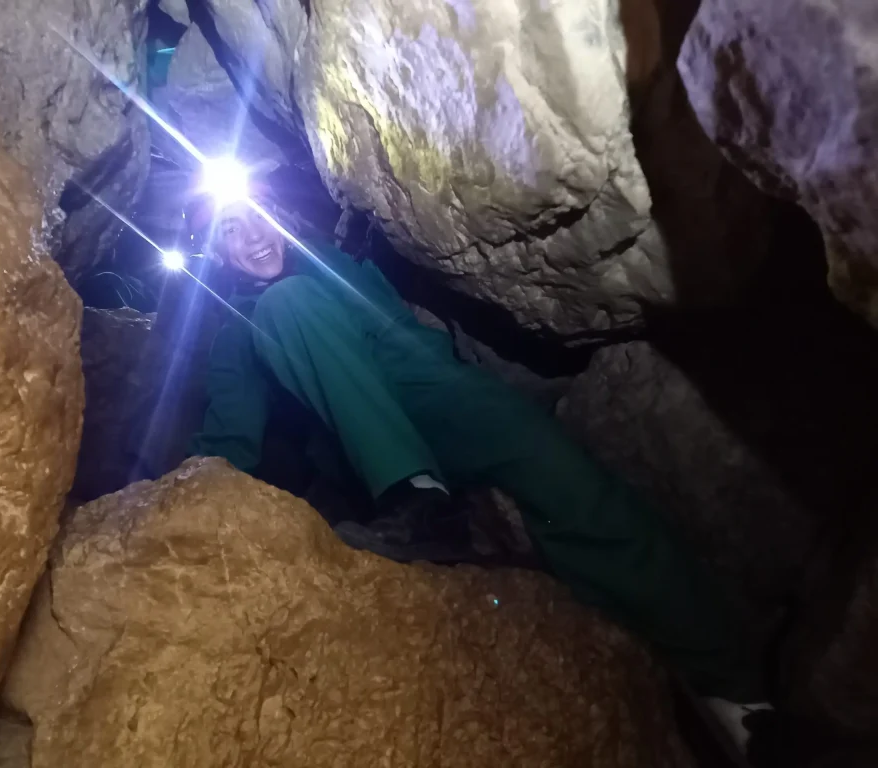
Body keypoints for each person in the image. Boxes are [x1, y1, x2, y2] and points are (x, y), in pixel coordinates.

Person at [187, 193, 772, 752]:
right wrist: (175, 507)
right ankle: (418, 499)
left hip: (440, 390)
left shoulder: (331, 260)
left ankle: (738, 692)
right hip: (361, 439)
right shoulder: (240, 328)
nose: (254, 236)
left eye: (255, 215)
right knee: (284, 303)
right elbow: (226, 438)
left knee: (573, 486)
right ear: (217, 252)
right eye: (230, 229)